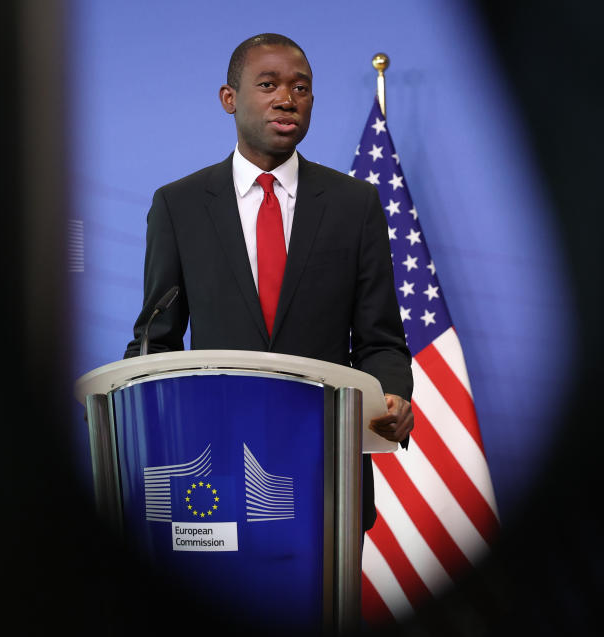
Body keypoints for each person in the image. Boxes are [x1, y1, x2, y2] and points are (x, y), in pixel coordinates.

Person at [124, 33, 413, 531]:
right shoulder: (180, 205)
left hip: (327, 470)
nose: (287, 98)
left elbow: (381, 340)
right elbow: (158, 337)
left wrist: (393, 395)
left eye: (301, 88)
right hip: (211, 474)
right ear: (229, 98)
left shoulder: (354, 204)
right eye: (268, 84)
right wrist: (128, 403)